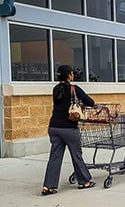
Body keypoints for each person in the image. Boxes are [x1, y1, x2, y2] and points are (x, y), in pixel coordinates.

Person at [41, 65, 96, 196]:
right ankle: (84, 181)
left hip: (54, 127)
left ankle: (48, 186)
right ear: (69, 76)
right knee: (76, 155)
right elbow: (90, 102)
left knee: (55, 157)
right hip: (69, 128)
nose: (73, 75)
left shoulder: (56, 89)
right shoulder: (74, 89)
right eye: (72, 73)